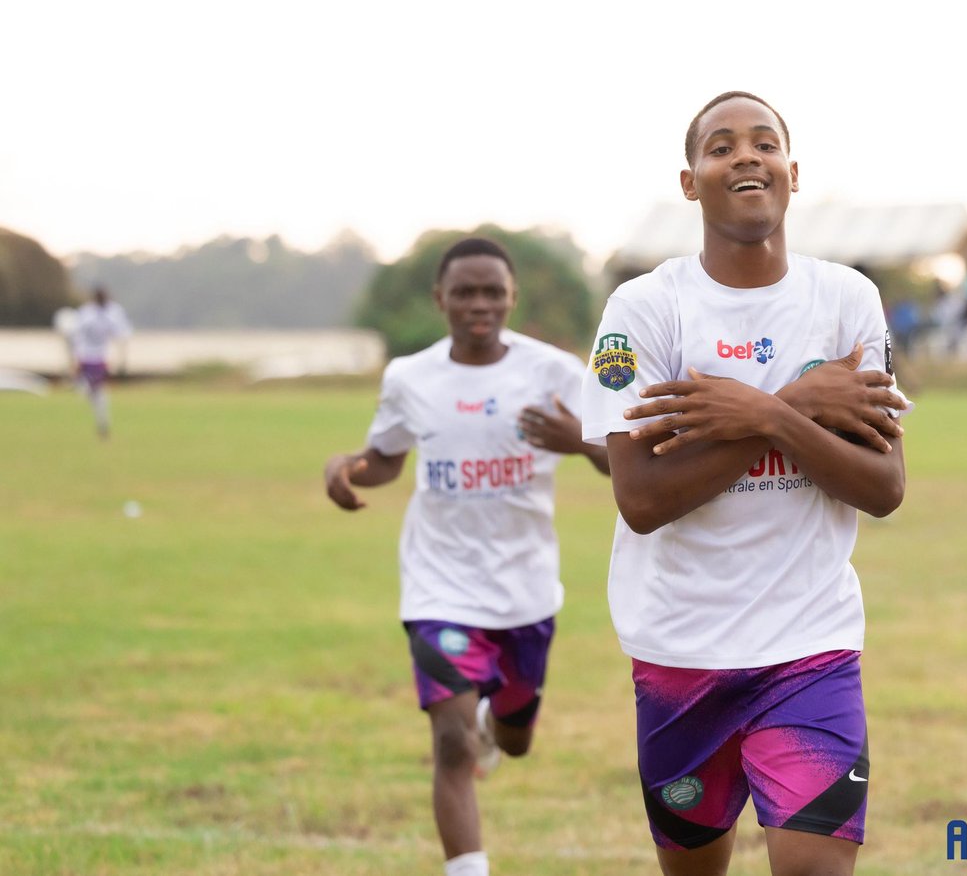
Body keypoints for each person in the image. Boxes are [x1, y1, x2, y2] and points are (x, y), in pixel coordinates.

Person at [579, 91, 912, 876]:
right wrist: (796, 404)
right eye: (721, 147)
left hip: (811, 649)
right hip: (679, 655)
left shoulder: (846, 302)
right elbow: (644, 499)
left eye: (763, 143)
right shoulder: (644, 310)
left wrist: (765, 413)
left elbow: (885, 486)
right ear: (691, 182)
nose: (746, 157)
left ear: (792, 174)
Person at [323, 237, 608, 876]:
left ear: (512, 297)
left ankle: (494, 722)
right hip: (439, 586)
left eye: (492, 292)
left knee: (515, 740)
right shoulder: (410, 377)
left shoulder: (556, 373)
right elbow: (387, 459)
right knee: (450, 742)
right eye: (464, 292)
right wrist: (346, 468)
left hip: (526, 591)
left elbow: (625, 465)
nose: (479, 304)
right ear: (440, 299)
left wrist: (580, 441)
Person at [70, 286, 132, 438]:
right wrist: (76, 358)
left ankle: (103, 425)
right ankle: (98, 419)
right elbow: (77, 336)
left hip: (100, 358)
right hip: (85, 356)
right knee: (89, 391)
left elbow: (122, 334)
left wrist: (122, 359)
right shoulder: (86, 313)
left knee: (98, 392)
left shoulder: (113, 312)